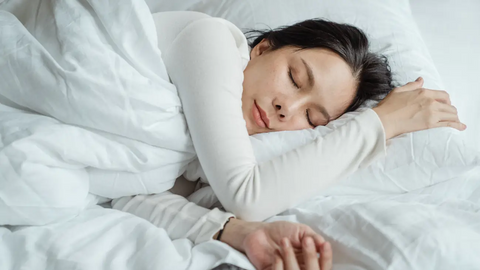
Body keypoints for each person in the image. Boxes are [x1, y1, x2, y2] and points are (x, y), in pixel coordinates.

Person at [112, 11, 465, 270]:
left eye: (311, 118)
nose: (287, 107)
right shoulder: (209, 39)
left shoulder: (193, 154)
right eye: (295, 78)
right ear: (262, 49)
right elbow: (247, 195)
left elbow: (128, 198)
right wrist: (381, 123)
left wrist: (241, 234)